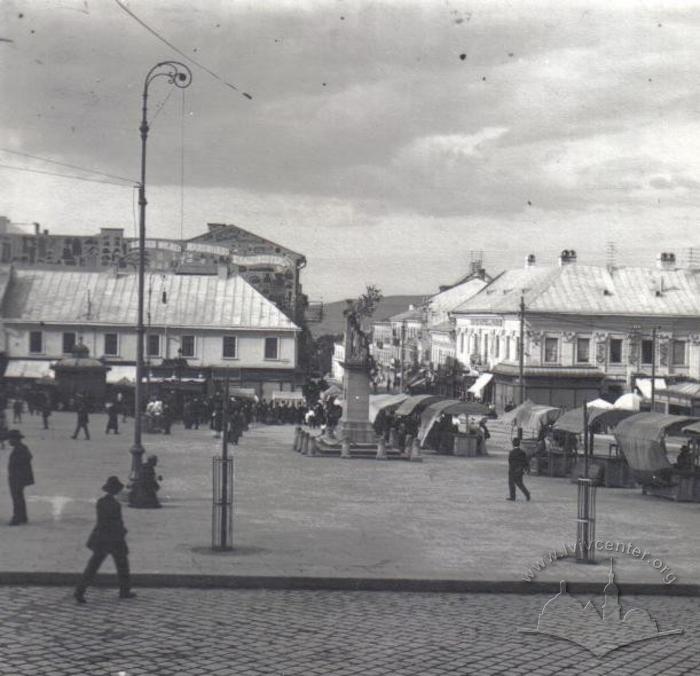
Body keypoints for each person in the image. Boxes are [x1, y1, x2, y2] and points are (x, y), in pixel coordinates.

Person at [74, 476, 136, 604]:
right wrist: (123, 532)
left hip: (101, 539)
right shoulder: (115, 505)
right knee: (122, 565)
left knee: (92, 567)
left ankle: (80, 591)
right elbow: (116, 523)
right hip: (115, 539)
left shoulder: (101, 502)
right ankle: (124, 591)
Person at [7, 429, 34, 525]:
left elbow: (21, 463)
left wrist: (16, 476)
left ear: (16, 439)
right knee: (19, 497)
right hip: (19, 477)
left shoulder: (20, 450)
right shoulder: (21, 448)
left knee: (17, 497)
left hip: (17, 478)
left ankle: (17, 517)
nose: (9, 441)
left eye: (10, 439)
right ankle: (22, 516)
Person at [507, 437, 531, 502]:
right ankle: (527, 494)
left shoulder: (511, 452)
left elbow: (510, 461)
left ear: (513, 444)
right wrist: (526, 468)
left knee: (511, 483)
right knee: (520, 483)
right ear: (519, 444)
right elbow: (525, 461)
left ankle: (513, 497)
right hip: (520, 470)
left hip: (513, 470)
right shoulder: (522, 452)